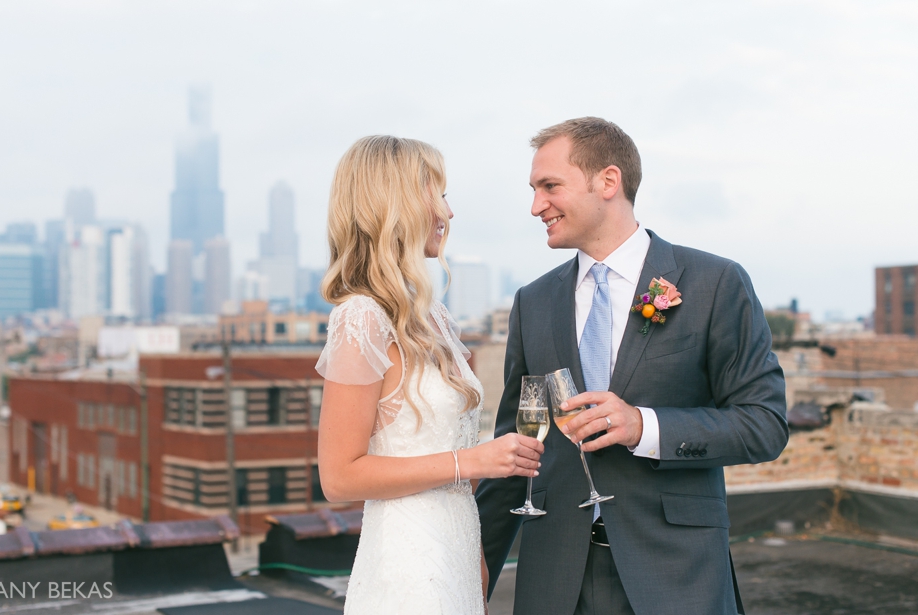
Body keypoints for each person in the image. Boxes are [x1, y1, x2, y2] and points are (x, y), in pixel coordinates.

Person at [476, 117, 788, 615]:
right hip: (553, 579)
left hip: (677, 575)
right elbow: (518, 446)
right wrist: (473, 571)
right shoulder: (532, 302)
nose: (536, 206)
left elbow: (764, 425)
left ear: (608, 181)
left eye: (550, 186)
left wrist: (644, 425)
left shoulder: (715, 283)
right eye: (534, 190)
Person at [315, 135, 545, 615]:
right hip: (407, 569)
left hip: (456, 557)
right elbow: (338, 477)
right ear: (394, 203)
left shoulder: (433, 317)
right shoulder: (361, 317)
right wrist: (473, 461)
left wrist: (475, 560)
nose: (449, 212)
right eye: (437, 195)